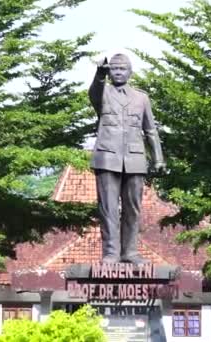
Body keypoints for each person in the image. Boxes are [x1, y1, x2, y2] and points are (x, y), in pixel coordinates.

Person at [88, 53, 165, 265]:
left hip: (135, 159)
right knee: (108, 208)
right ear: (109, 72)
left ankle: (130, 252)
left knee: (133, 208)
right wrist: (99, 75)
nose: (119, 72)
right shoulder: (103, 92)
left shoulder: (141, 98)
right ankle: (111, 253)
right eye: (114, 69)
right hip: (107, 158)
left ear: (130, 72)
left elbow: (150, 130)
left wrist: (158, 158)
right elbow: (94, 93)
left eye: (123, 69)